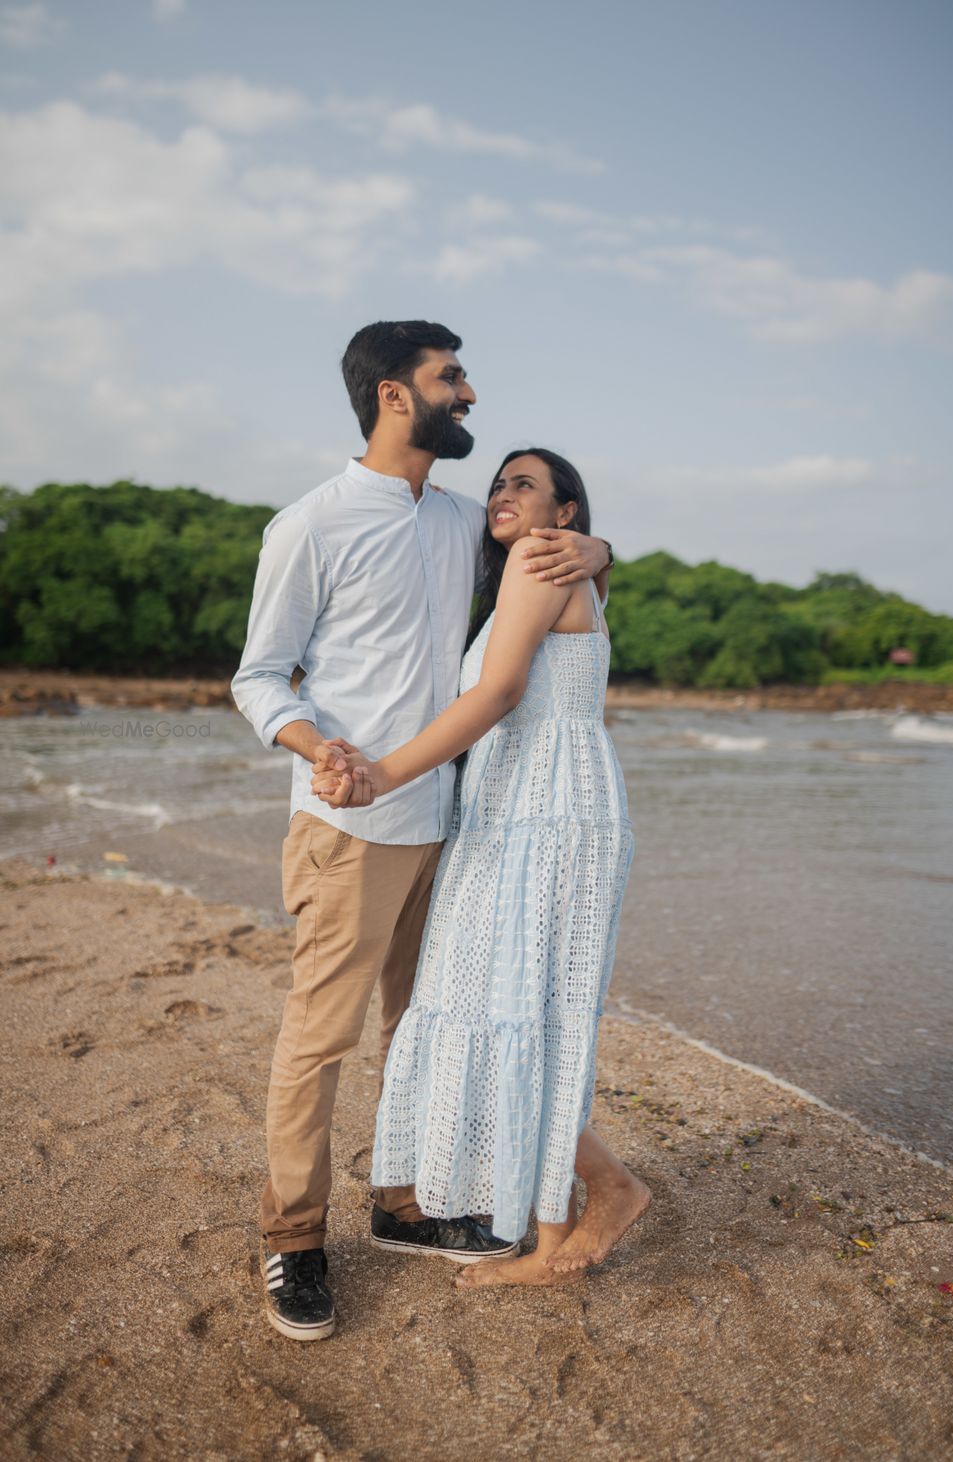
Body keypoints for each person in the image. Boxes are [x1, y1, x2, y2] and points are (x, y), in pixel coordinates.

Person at [230, 321, 612, 1340]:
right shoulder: (307, 525)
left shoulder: (458, 519)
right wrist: (318, 748)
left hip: (452, 820)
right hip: (349, 824)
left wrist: (602, 543)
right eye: (453, 378)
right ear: (398, 395)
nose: (470, 394)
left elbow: (554, 596)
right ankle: (295, 1237)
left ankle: (401, 1202)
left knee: (421, 1025)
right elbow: (258, 677)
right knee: (320, 1037)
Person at [312, 448, 651, 1287]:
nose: (502, 493)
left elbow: (498, 695)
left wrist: (385, 774)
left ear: (565, 512)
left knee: (520, 1012)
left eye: (524, 484)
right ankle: (600, 1189)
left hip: (545, 814)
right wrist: (602, 548)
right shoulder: (559, 565)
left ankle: (554, 1236)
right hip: (522, 809)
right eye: (499, 482)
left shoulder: (543, 564)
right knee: (516, 1010)